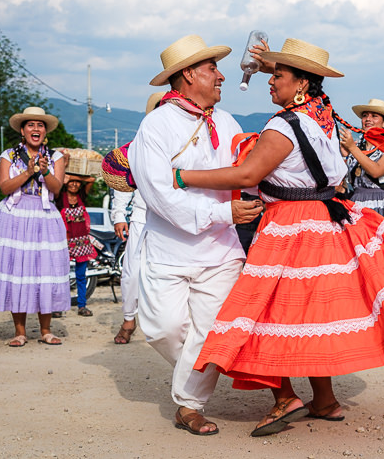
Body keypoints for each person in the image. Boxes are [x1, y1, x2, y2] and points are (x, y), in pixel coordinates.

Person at [174, 38, 384, 437]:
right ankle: (325, 400)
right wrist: (271, 63)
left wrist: (184, 176)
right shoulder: (320, 119)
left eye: (279, 76)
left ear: (301, 82)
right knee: (310, 314)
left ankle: (285, 396)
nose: (271, 82)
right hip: (323, 221)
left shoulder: (281, 126)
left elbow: (248, 176)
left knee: (268, 312)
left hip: (288, 225)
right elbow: (313, 144)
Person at [129, 35, 263, 435]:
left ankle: (189, 406)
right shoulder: (154, 126)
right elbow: (159, 197)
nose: (221, 76)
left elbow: (244, 173)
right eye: (211, 68)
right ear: (188, 74)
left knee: (211, 331)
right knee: (162, 329)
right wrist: (224, 211)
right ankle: (200, 369)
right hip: (169, 251)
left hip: (221, 252)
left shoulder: (226, 122)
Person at [0, 107, 69, 346]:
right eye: (30, 125)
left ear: (45, 131)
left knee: (45, 271)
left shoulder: (56, 157)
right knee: (17, 272)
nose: (36, 129)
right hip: (15, 217)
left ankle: (46, 330)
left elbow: (56, 188)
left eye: (40, 125)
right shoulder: (8, 156)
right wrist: (28, 172)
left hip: (44, 217)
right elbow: (5, 187)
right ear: (22, 130)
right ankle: (20, 331)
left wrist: (43, 172)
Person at [109, 92, 164, 344]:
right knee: (131, 272)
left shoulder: (190, 142)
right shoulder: (137, 145)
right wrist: (119, 215)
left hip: (177, 219)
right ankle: (129, 319)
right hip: (142, 217)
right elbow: (123, 182)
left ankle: (166, 323)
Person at [339, 99, 384, 235]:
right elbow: (343, 181)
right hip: (356, 204)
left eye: (374, 116)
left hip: (381, 206)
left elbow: (376, 171)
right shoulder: (356, 148)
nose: (368, 119)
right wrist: (344, 156)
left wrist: (352, 149)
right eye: (365, 115)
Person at [55, 173, 97, 317]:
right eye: (71, 182)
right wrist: (65, 178)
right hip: (63, 241)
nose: (74, 184)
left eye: (77, 182)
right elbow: (55, 183)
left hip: (81, 242)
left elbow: (92, 179)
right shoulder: (59, 196)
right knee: (60, 275)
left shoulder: (82, 196)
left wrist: (74, 176)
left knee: (81, 276)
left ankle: (82, 306)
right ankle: (57, 307)